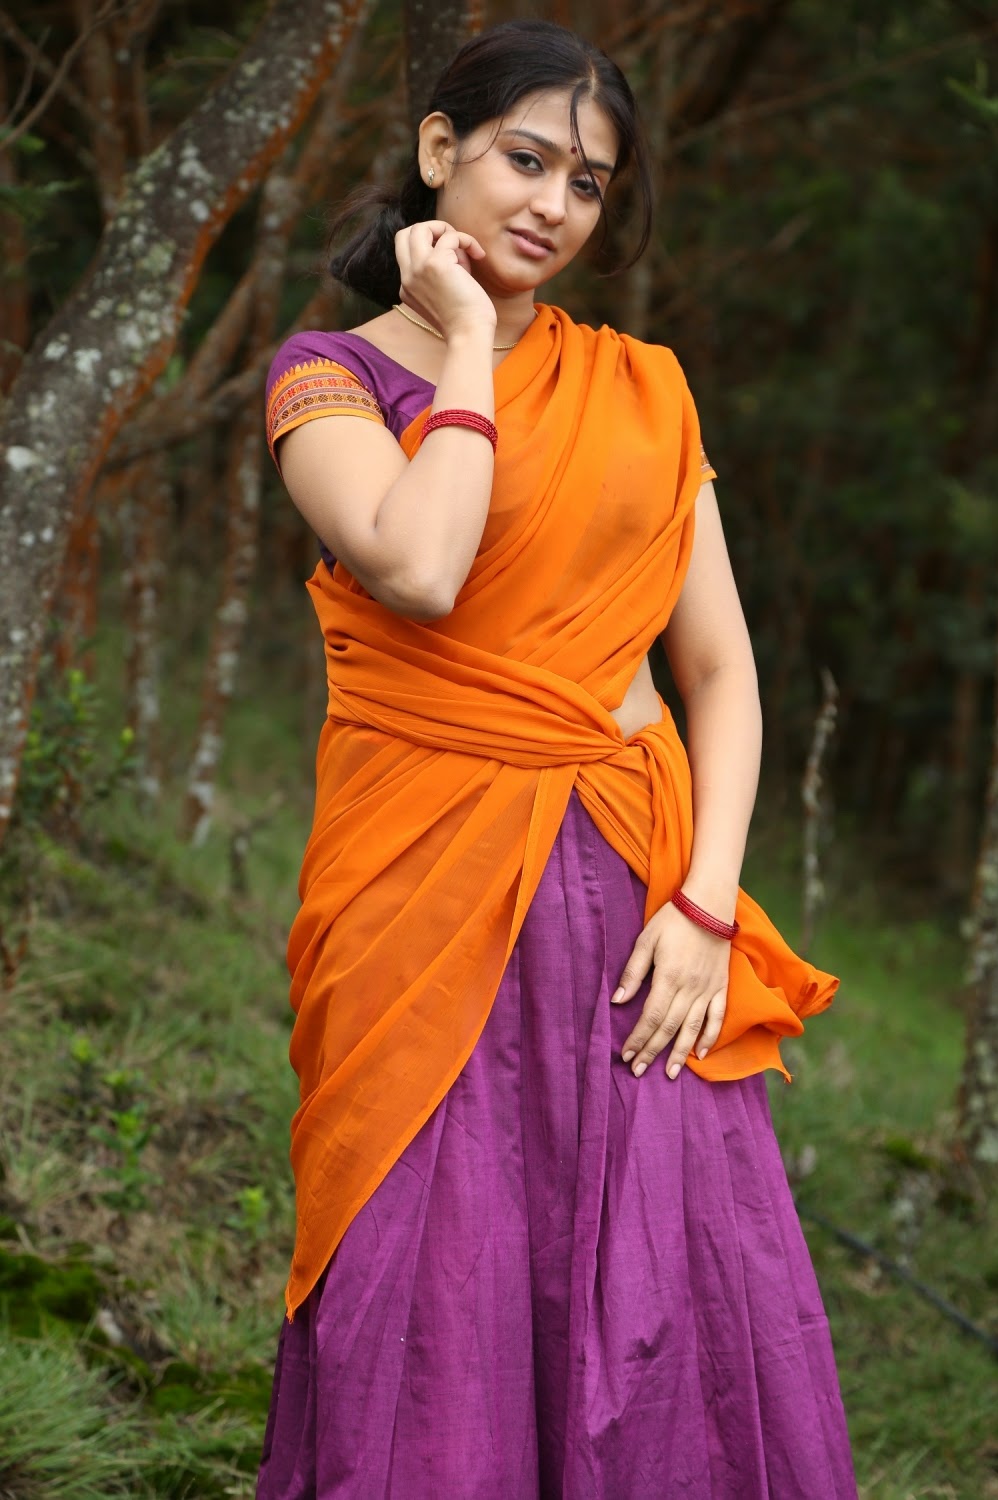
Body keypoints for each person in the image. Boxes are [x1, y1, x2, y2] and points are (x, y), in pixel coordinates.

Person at [255, 18, 857, 1500]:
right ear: (438, 150)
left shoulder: (641, 389)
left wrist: (707, 906)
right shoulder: (327, 377)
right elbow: (418, 566)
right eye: (526, 159)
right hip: (419, 900)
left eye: (587, 183)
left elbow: (719, 673)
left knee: (663, 1286)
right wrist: (468, 342)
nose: (553, 206)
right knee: (433, 1272)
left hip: (638, 912)